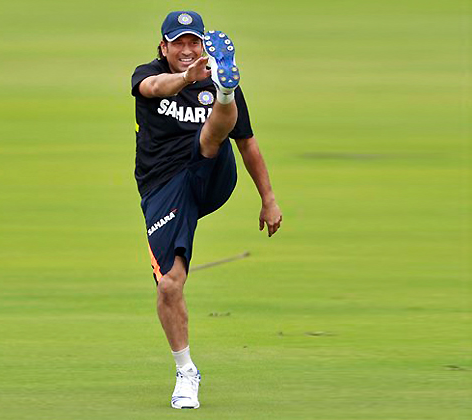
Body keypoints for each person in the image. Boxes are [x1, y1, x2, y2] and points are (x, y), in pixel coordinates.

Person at [130, 11, 282, 409]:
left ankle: (226, 93)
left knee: (214, 132)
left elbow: (247, 143)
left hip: (211, 171)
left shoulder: (212, 75)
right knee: (168, 285)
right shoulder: (148, 73)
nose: (186, 50)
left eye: (193, 42)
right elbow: (152, 87)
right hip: (164, 188)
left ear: (203, 44)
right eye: (177, 43)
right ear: (163, 47)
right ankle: (186, 372)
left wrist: (268, 198)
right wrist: (186, 78)